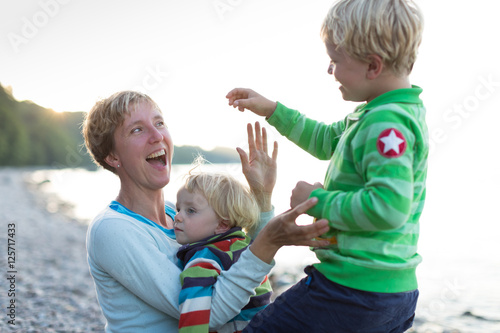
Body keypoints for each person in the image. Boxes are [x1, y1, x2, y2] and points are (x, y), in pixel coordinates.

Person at [226, 0, 427, 332]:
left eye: (335, 62)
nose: (329, 71)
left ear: (373, 66)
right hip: (389, 293)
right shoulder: (380, 114)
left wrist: (319, 200)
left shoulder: (387, 125)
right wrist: (272, 110)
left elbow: (389, 207)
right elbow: (324, 140)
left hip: (353, 291)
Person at [82, 91, 329, 333]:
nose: (157, 135)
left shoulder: (179, 214)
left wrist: (262, 198)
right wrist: (269, 243)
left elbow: (239, 260)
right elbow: (207, 315)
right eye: (137, 129)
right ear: (113, 156)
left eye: (159, 123)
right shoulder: (113, 228)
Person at [175, 167, 272, 332]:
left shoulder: (204, 257)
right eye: (178, 209)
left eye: (190, 211)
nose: (177, 216)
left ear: (222, 224)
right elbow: (265, 239)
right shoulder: (241, 244)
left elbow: (195, 317)